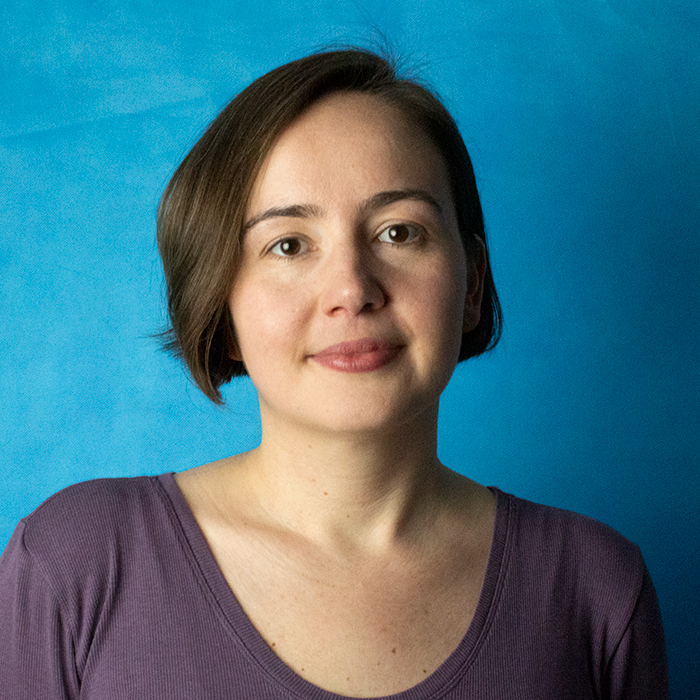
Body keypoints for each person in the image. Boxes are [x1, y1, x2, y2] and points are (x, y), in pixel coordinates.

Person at [0, 48, 668, 699]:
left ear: (471, 283)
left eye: (399, 232)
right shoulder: (74, 563)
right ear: (220, 306)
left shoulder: (599, 589)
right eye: (288, 244)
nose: (352, 289)